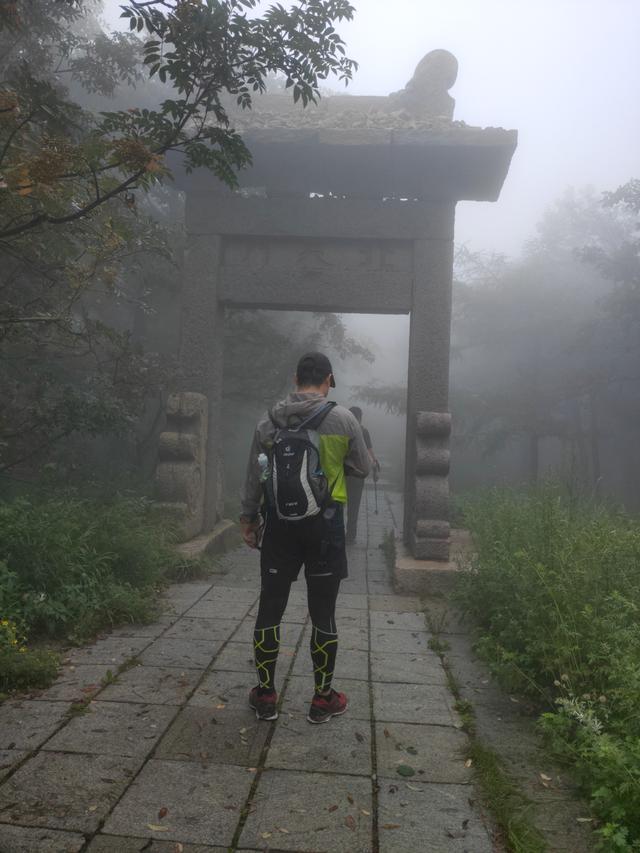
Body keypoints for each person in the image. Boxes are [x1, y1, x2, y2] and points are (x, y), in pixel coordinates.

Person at [239, 352, 371, 724]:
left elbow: (254, 475)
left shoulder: (270, 419)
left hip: (279, 525)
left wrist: (248, 519)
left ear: (296, 377)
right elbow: (361, 466)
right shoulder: (343, 418)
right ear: (328, 379)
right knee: (323, 612)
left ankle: (265, 695)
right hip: (326, 527)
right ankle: (322, 699)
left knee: (271, 606)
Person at [345, 406, 380, 544]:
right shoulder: (363, 431)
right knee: (354, 505)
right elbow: (370, 452)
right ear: (360, 417)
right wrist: (375, 466)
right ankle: (351, 534)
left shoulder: (343, 430)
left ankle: (335, 533)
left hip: (343, 473)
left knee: (337, 504)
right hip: (358, 474)